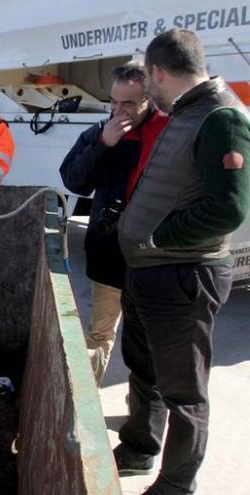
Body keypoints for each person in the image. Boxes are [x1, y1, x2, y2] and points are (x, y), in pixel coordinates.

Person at [113, 29, 250, 495]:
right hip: (152, 271)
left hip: (183, 275)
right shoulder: (188, 112)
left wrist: (156, 237)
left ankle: (176, 485)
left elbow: (228, 209)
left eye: (147, 81)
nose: (146, 92)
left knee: (184, 392)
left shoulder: (221, 118)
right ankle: (138, 447)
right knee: (144, 369)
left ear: (158, 72)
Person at [59, 62, 168, 386]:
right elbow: (73, 180)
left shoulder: (170, 132)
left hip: (154, 258)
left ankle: (144, 414)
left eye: (129, 104)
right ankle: (84, 409)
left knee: (149, 342)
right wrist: (103, 145)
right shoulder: (99, 133)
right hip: (110, 254)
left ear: (149, 100)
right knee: (99, 335)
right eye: (114, 102)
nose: (119, 111)